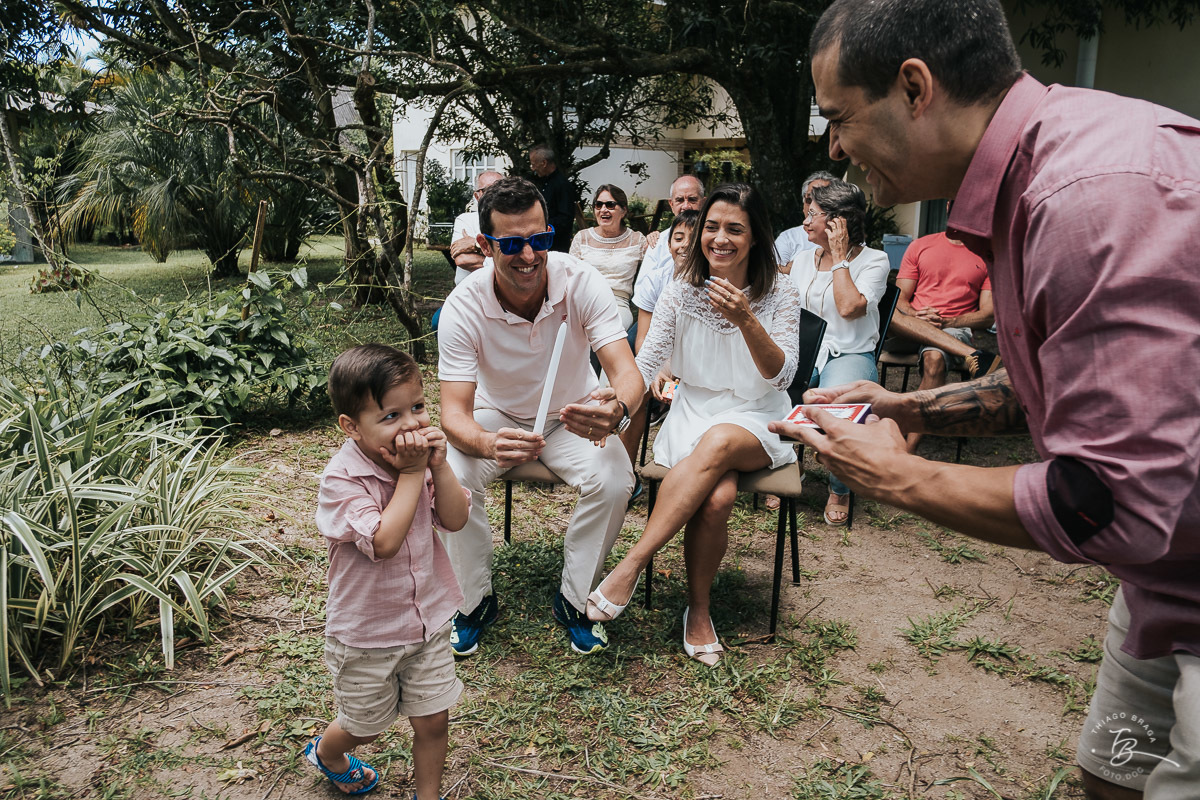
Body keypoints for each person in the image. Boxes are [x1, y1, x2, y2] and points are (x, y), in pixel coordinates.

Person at [770, 2, 1200, 798]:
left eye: (838, 118)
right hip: (1168, 583)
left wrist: (897, 476)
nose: (833, 149)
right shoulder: (1037, 177)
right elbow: (1054, 384)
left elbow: (1113, 499)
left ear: (914, 88)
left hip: (1171, 554)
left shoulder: (1087, 198)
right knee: (1110, 778)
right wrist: (906, 409)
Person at [584, 183, 802, 667]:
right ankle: (698, 611)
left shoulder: (781, 291)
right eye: (712, 227)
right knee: (719, 497)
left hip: (758, 412)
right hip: (694, 410)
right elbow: (646, 363)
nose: (720, 239)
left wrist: (746, 319)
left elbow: (783, 376)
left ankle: (632, 563)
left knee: (720, 441)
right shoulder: (681, 289)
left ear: (756, 236)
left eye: (735, 229)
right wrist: (619, 406)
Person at [437, 176, 643, 657]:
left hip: (572, 413)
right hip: (496, 413)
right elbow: (453, 413)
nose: (529, 256)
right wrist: (488, 443)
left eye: (540, 239)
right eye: (512, 244)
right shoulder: (463, 306)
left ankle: (575, 598)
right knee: (449, 472)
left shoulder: (581, 281)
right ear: (485, 245)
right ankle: (472, 602)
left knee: (615, 478)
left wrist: (617, 409)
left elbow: (626, 373)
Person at [307, 344, 470, 799]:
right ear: (351, 426)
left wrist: (439, 466)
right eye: (391, 416)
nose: (412, 424)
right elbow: (383, 542)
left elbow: (455, 519)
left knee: (434, 719)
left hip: (427, 621)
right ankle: (327, 753)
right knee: (365, 726)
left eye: (417, 407)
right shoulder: (342, 478)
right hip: (367, 633)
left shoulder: (422, 462)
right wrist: (413, 473)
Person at [787, 179, 889, 526]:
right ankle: (786, 465)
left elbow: (849, 307)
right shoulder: (803, 260)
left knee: (840, 407)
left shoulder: (875, 260)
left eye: (813, 214)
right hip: (805, 352)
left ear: (837, 223)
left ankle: (839, 487)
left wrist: (840, 258)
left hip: (849, 352)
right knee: (770, 386)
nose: (805, 221)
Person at [886, 231, 994, 451]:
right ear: (947, 211)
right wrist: (916, 315)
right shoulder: (920, 246)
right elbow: (900, 299)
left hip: (953, 328)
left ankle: (908, 449)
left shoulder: (987, 255)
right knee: (891, 316)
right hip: (912, 324)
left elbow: (987, 315)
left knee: (934, 358)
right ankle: (972, 354)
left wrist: (948, 321)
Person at [570, 184, 648, 332]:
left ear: (623, 210)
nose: (603, 209)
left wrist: (655, 237)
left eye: (610, 205)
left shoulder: (637, 240)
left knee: (608, 331)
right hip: (585, 302)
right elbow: (569, 278)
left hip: (618, 304)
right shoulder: (582, 238)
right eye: (598, 205)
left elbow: (657, 266)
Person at [448, 170, 505, 285]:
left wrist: (475, 245)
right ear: (477, 196)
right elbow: (463, 259)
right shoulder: (465, 220)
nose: (495, 194)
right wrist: (506, 266)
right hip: (469, 292)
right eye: (488, 190)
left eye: (500, 189)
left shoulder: (515, 221)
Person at [774, 171, 836, 267]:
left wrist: (792, 267)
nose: (813, 206)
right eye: (809, 200)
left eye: (821, 200)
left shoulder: (846, 239)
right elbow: (774, 272)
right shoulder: (788, 238)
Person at [529, 144, 573, 252]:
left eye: (534, 164)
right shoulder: (543, 182)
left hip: (556, 246)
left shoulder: (562, 185)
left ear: (544, 163)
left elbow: (565, 219)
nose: (533, 168)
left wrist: (539, 225)